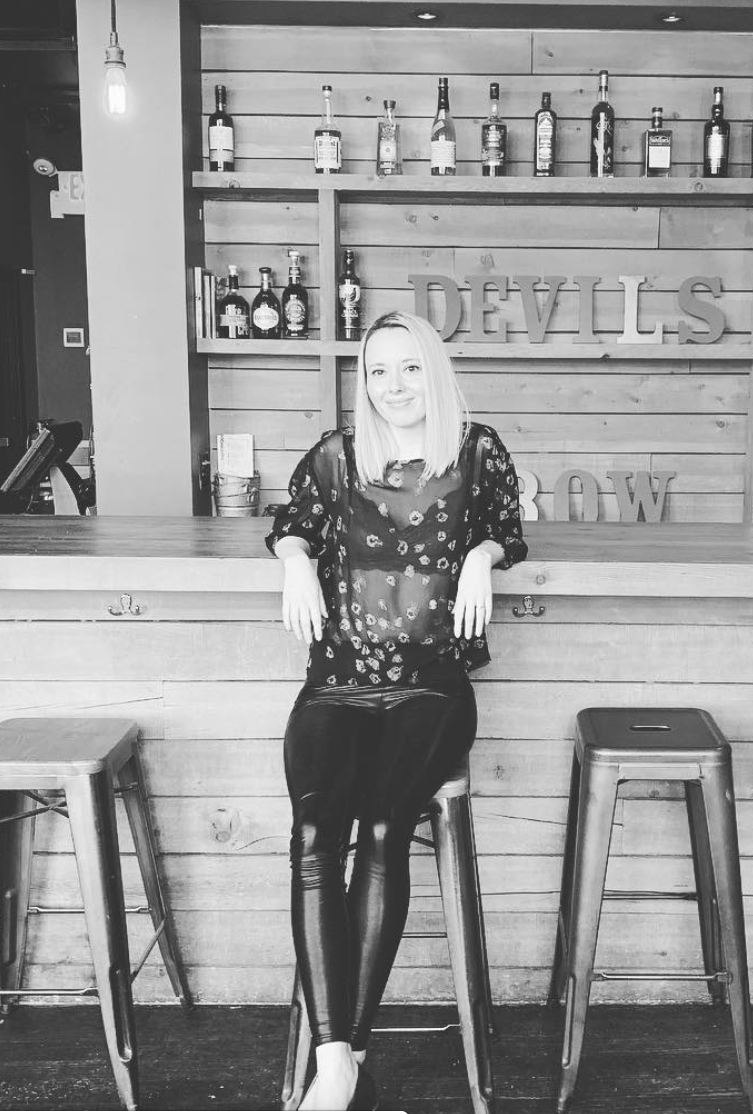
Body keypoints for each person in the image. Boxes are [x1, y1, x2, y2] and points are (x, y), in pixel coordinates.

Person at [265, 310, 528, 1111]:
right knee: (315, 830)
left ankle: (343, 1058)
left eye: (409, 368)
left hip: (432, 685)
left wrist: (484, 556)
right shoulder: (336, 458)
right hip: (338, 681)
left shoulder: (476, 450)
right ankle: (336, 1056)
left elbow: (507, 528)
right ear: (363, 384)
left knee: (383, 824)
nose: (394, 386)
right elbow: (290, 524)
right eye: (378, 372)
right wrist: (295, 562)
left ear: (434, 372)